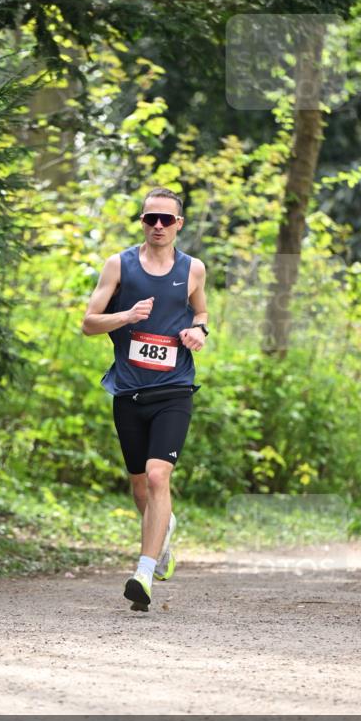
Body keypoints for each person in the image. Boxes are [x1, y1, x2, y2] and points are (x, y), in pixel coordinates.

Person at [81, 186, 208, 611]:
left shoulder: (193, 269)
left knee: (157, 477)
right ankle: (163, 527)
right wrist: (127, 315)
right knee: (139, 484)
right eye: (150, 218)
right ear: (141, 222)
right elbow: (89, 323)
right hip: (129, 390)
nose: (158, 225)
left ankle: (145, 572)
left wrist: (199, 330)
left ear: (178, 224)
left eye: (166, 219)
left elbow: (201, 312)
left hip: (174, 389)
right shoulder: (119, 265)